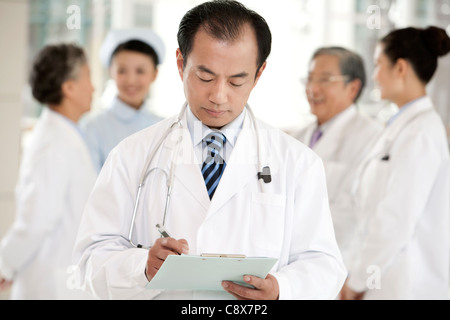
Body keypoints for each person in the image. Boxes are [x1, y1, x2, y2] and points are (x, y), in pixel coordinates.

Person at [73, 0, 346, 300]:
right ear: (180, 64)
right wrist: (143, 268)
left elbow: (325, 265)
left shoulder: (298, 163)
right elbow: (90, 261)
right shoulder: (132, 155)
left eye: (236, 80)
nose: (218, 96)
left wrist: (282, 289)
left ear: (258, 74)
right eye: (205, 77)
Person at [341, 26, 450, 300]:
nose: (374, 76)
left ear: (400, 68)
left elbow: (394, 221)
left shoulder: (419, 133)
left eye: (378, 64)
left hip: (404, 286)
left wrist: (358, 283)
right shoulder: (403, 127)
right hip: (385, 280)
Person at [0, 44, 97, 299]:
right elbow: (37, 220)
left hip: (63, 277)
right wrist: (5, 265)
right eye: (88, 77)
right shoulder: (54, 143)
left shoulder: (66, 135)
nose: (93, 87)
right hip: (50, 284)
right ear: (69, 87)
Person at [294, 47, 382, 267]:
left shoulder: (373, 137)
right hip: (292, 264)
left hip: (338, 263)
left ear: (353, 88)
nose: (312, 89)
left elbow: (360, 215)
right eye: (310, 79)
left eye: (324, 80)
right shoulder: (297, 138)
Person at [81, 29, 165, 172]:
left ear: (154, 74)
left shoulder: (165, 128)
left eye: (140, 71)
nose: (131, 80)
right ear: (110, 72)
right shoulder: (93, 128)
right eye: (122, 71)